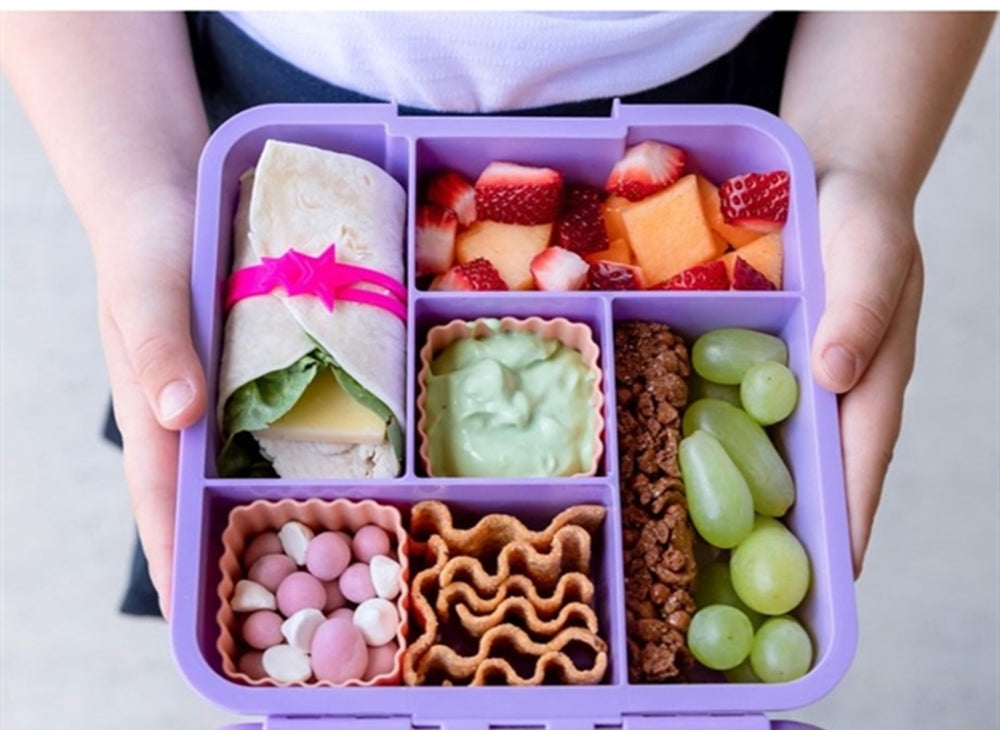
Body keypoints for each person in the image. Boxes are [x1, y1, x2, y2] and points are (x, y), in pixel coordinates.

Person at [1, 11, 995, 619]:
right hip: (253, 110)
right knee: (223, 454)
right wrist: (142, 197)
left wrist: (858, 161)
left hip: (727, 87)